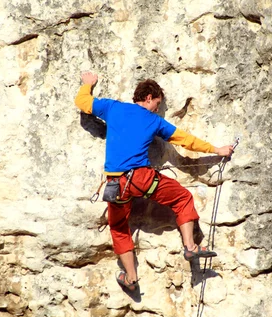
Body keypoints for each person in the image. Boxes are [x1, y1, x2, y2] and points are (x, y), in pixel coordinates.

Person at [75, 73, 234, 291]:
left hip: (117, 186)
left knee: (119, 228)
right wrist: (217, 150)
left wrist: (87, 84)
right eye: (157, 104)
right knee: (182, 197)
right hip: (142, 180)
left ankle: (131, 278)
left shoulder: (113, 109)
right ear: (148, 98)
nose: (158, 109)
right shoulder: (154, 121)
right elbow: (186, 140)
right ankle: (190, 246)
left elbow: (82, 102)